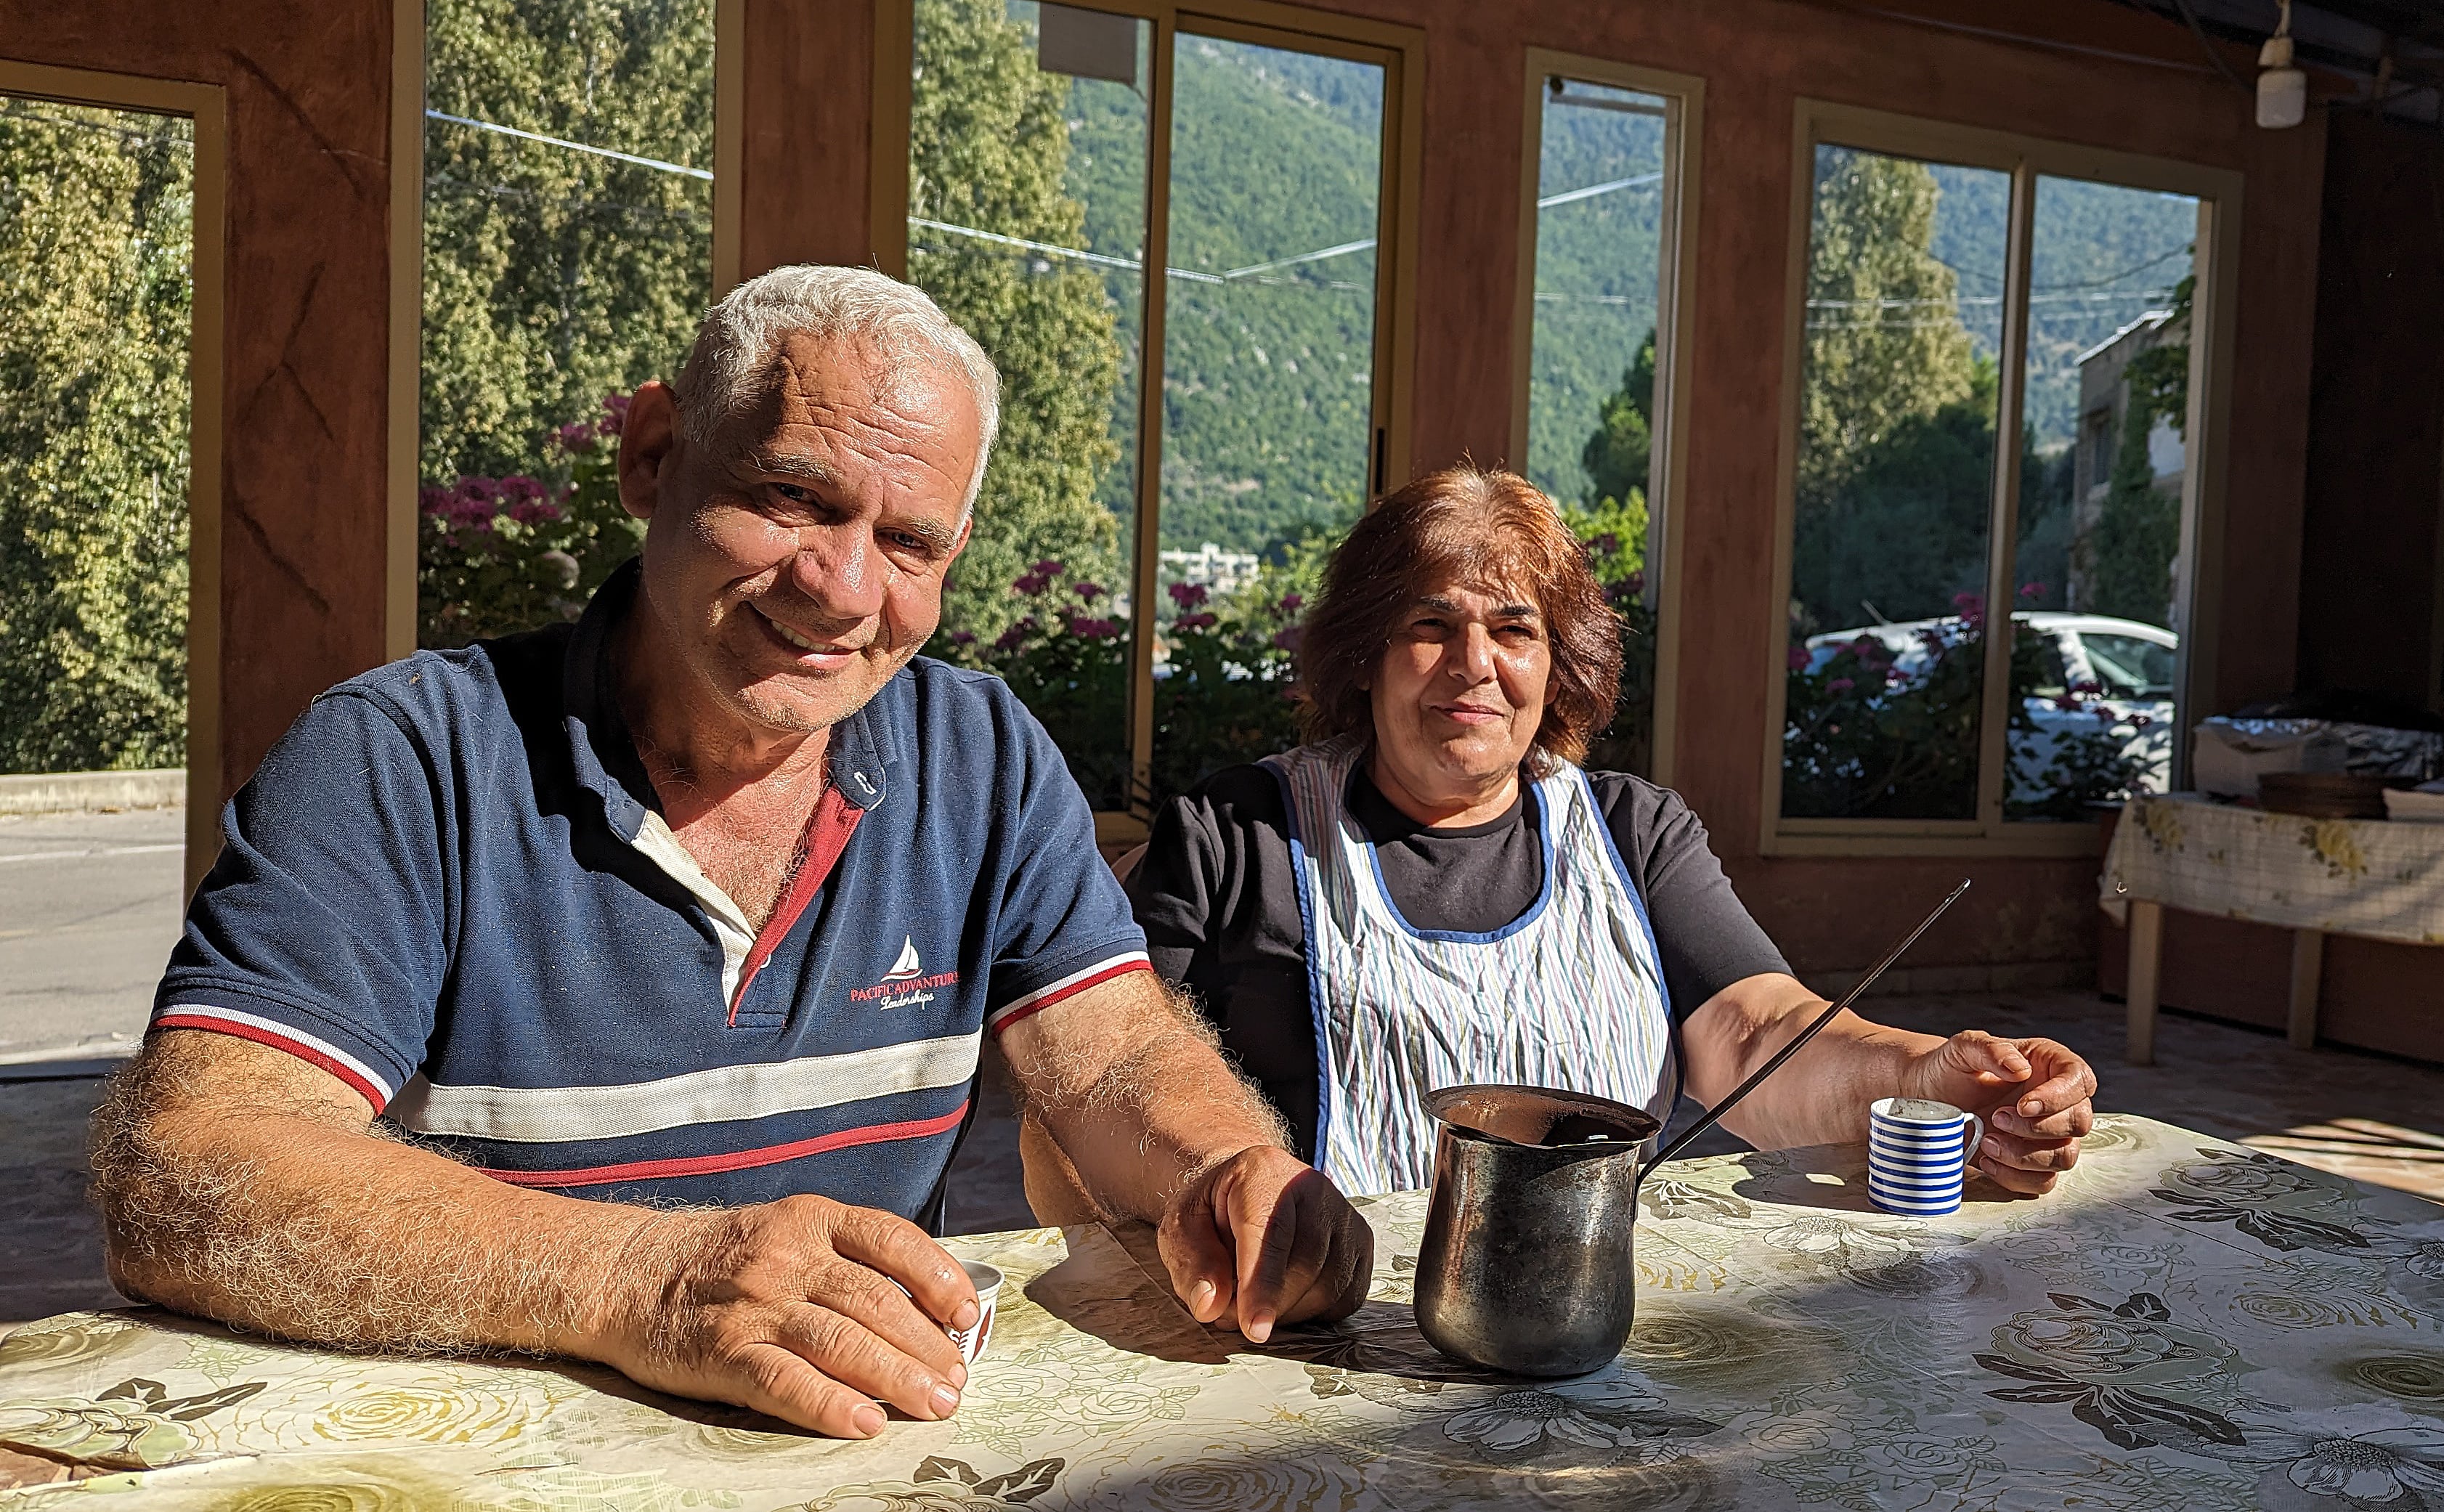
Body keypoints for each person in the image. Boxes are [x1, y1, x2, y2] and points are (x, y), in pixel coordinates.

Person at [90, 265, 1371, 1442]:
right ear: (653, 454)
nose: (843, 586)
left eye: (909, 541)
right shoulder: (406, 757)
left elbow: (1115, 1060)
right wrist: (643, 1279)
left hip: (860, 1454)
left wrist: (1220, 1164)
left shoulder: (979, 754)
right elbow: (190, 1166)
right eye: (793, 498)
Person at [1108, 466, 2097, 1200]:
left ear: (1558, 664)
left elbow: (1758, 1033)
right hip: (1305, 1324)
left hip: (1585, 1313)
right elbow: (1116, 1081)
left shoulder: (1632, 833)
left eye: (1514, 628)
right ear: (1363, 656)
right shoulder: (1238, 836)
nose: (1473, 663)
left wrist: (1919, 1075)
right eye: (1427, 625)